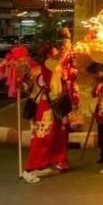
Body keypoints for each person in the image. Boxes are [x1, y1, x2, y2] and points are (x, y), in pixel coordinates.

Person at [22, 42, 76, 184]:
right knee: (42, 138)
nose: (58, 51)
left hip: (55, 105)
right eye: (55, 49)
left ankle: (43, 164)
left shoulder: (55, 66)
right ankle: (29, 169)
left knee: (56, 136)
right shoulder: (49, 63)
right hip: (46, 106)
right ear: (48, 54)